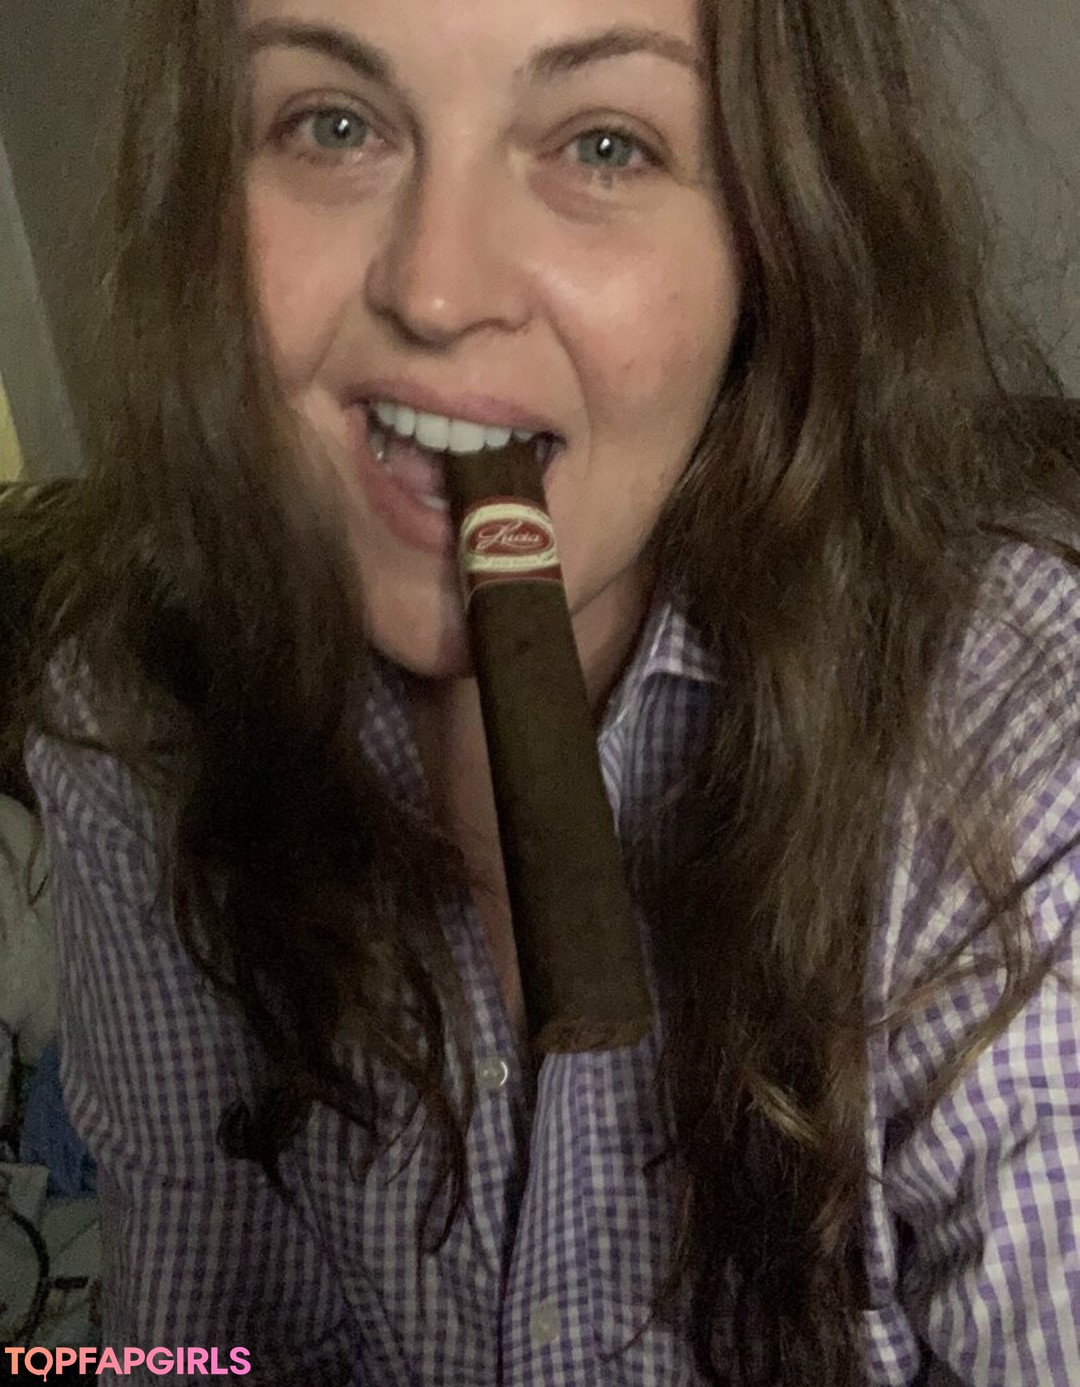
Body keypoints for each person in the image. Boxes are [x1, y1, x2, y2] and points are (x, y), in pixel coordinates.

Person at [17, 0, 1080, 1381]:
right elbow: (200, 1336)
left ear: (776, 240)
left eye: (603, 144)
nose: (437, 290)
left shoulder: (1007, 750)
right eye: (333, 124)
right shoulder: (134, 715)